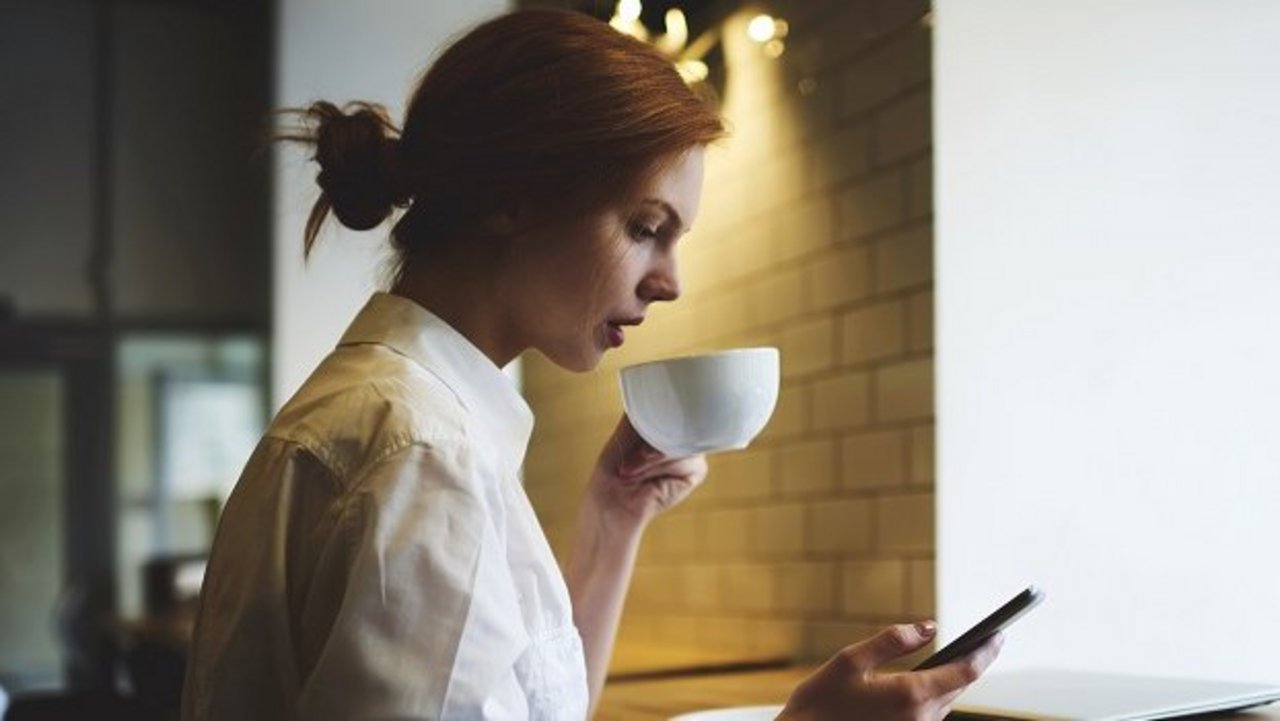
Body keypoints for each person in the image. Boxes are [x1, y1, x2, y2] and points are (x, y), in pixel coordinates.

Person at [180, 8, 1000, 721]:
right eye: (647, 226)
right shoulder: (424, 453)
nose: (670, 281)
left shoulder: (390, 412)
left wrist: (613, 519)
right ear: (514, 195)